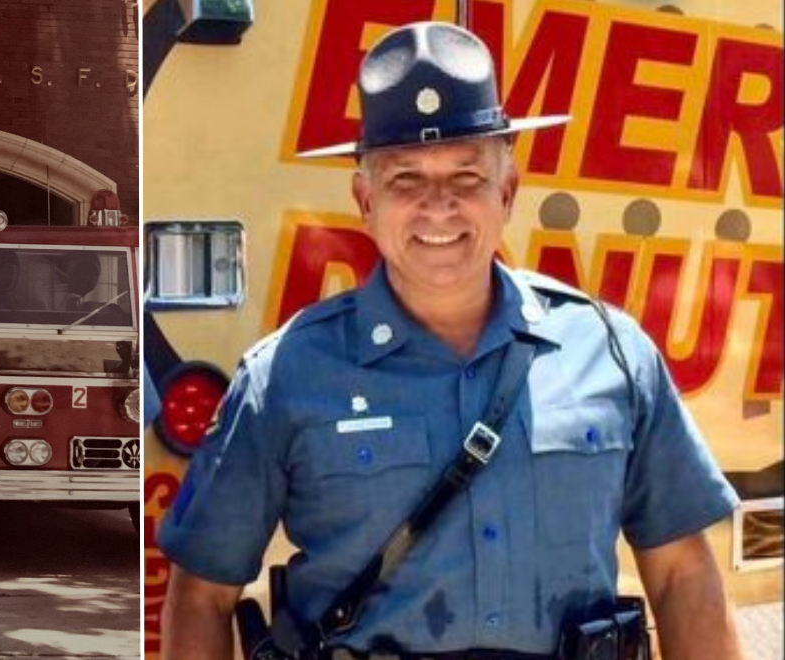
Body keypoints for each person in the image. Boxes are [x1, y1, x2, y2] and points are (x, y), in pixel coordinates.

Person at [159, 22, 743, 660]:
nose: (439, 208)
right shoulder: (287, 376)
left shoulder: (610, 351)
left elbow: (683, 571)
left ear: (508, 192)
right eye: (405, 179)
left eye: (466, 177)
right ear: (365, 200)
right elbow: (201, 597)